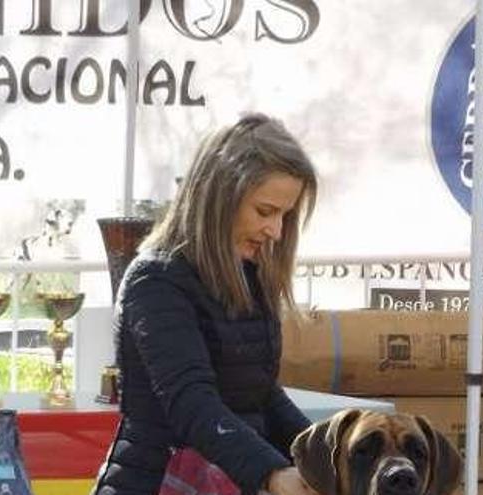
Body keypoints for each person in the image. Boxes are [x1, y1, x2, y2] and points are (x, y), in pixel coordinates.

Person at [92, 113, 319, 495]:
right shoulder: (156, 279)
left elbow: (261, 393)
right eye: (265, 211)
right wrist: (274, 474)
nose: (276, 231)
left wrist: (326, 455)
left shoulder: (250, 272)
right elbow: (192, 404)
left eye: (285, 215)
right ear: (219, 196)